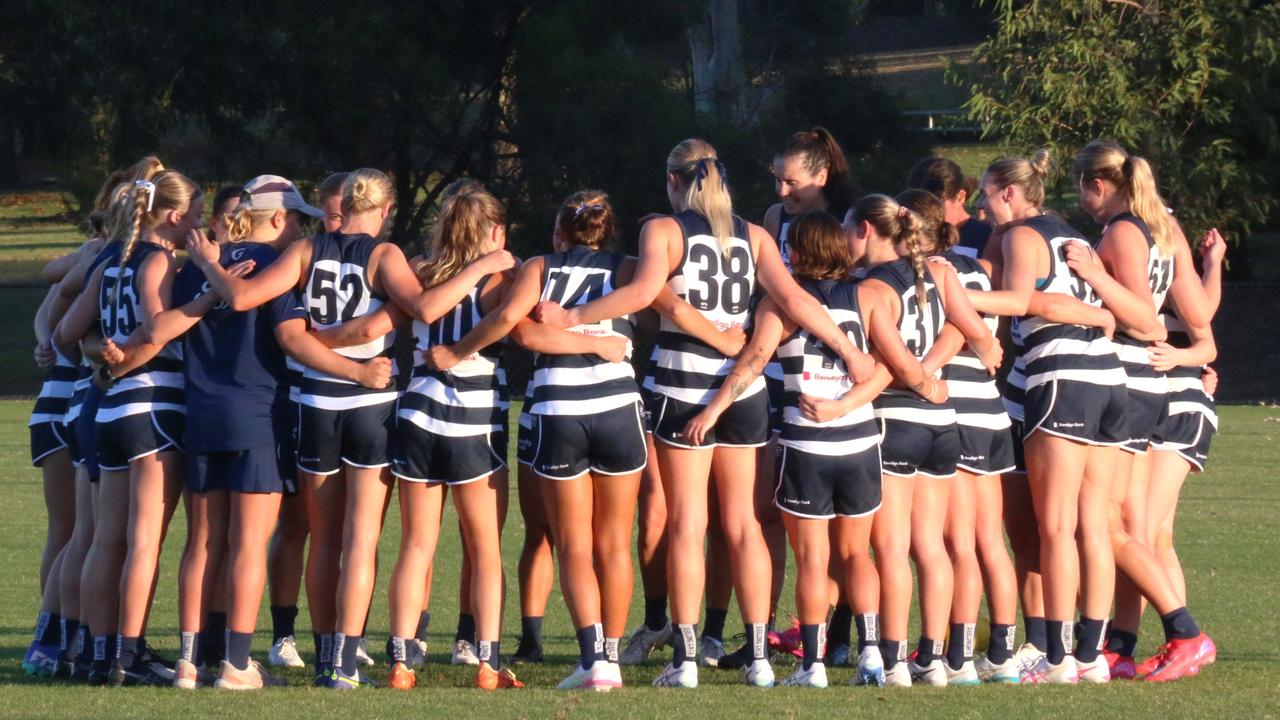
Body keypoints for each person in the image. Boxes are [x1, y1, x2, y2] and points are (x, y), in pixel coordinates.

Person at [186, 168, 514, 689]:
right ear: (384, 212)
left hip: (313, 404)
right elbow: (423, 306)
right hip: (371, 405)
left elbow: (244, 297)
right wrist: (486, 266)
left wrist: (209, 262)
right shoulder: (386, 256)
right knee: (362, 539)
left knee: (323, 540)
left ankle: (321, 657)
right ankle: (344, 662)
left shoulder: (305, 250)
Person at [101, 175, 325, 689]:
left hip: (200, 413)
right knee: (247, 543)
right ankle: (235, 664)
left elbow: (164, 327)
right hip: (256, 413)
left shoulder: (186, 271)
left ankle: (186, 662)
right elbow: (289, 337)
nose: (297, 230)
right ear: (275, 218)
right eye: (294, 219)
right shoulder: (278, 265)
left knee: (200, 542)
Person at [685, 211, 891, 688]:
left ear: (796, 253)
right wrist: (843, 406)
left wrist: (713, 411)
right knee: (857, 553)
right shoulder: (870, 296)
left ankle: (813, 665)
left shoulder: (779, 306)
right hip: (860, 441)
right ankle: (873, 656)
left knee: (814, 560)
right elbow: (885, 368)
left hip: (807, 443)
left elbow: (753, 361)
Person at [974, 150, 1124, 684]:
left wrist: (958, 294)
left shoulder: (1022, 236)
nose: (982, 207)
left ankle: (1058, 658)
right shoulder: (1075, 235)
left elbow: (1017, 300)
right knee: (1092, 526)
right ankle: (1090, 655)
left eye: (986, 195)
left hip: (1060, 374)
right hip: (1108, 379)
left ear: (1010, 193)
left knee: (1056, 524)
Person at [1068, 141, 1216, 682]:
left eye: (1081, 187)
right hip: (1145, 383)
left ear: (1098, 184)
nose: (1081, 200)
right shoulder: (1158, 226)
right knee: (1127, 525)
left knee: (1106, 523)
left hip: (1130, 380)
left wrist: (1090, 273)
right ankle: (1122, 647)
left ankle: (1184, 632)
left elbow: (1141, 317)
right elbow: (1198, 313)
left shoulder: (1124, 231)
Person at [53, 166, 204, 685]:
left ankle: (97, 654)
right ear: (177, 215)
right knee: (143, 541)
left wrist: (106, 355)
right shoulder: (159, 259)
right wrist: (202, 303)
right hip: (153, 405)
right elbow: (158, 328)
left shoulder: (110, 258)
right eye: (198, 217)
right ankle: (128, 653)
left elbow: (66, 333)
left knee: (103, 539)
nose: (199, 228)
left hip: (109, 408)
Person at [851, 193, 1000, 688]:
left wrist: (920, 377)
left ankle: (894, 662)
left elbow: (894, 363)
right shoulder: (940, 271)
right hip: (944, 423)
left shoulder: (872, 286)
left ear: (867, 232)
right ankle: (933, 660)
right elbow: (974, 330)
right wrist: (937, 373)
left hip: (896, 420)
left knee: (892, 548)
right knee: (932, 546)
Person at [379, 188, 524, 690]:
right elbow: (521, 326)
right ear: (495, 232)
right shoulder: (505, 279)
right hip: (474, 418)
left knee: (416, 544)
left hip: (418, 414)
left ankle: (400, 661)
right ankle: (487, 662)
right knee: (485, 548)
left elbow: (416, 312)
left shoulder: (421, 268)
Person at [897, 188, 1020, 684]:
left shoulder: (932, 274)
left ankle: (961, 659)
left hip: (960, 410)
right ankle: (1001, 654)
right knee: (989, 540)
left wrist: (924, 370)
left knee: (956, 543)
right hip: (991, 412)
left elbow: (966, 331)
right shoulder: (975, 268)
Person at [266, 171, 348, 671]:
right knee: (297, 524)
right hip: (293, 401)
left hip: (345, 403)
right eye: (329, 214)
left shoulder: (368, 262)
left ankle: (343, 636)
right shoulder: (288, 263)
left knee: (349, 528)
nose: (331, 225)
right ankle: (283, 634)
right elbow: (290, 336)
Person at [907, 157, 989, 257]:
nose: (926, 213)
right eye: (918, 208)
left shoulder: (986, 237)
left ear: (960, 197)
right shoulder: (909, 237)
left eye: (936, 205)